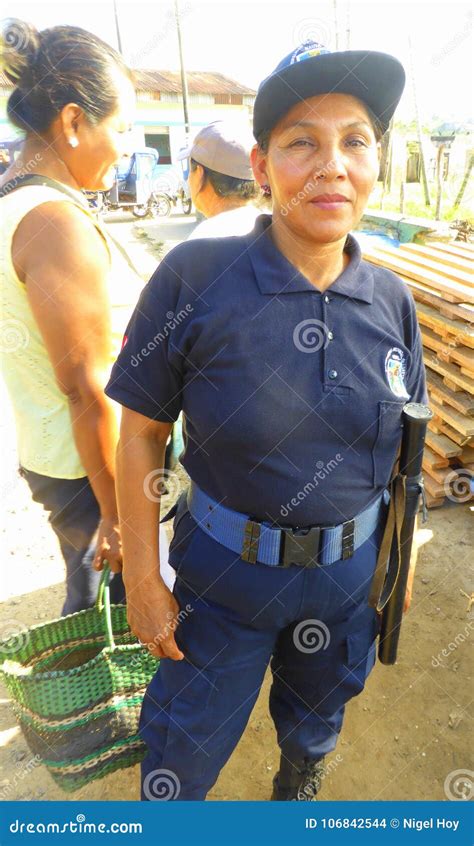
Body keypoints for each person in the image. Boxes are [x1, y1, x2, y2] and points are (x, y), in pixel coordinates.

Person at [105, 42, 428, 801]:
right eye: (300, 143)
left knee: (315, 722)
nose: (332, 165)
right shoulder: (195, 280)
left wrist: (400, 561)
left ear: (376, 162)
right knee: (180, 761)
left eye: (355, 141)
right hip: (223, 580)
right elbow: (141, 433)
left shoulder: (392, 303)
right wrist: (146, 579)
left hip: (347, 583)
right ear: (260, 166)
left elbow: (406, 451)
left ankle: (298, 783)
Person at [0, 19, 173, 613]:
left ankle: (81, 700)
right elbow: (84, 386)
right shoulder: (55, 223)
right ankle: (92, 708)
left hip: (53, 453)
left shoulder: (13, 196)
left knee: (88, 587)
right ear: (73, 122)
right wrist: (116, 512)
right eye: (121, 130)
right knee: (112, 607)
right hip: (88, 465)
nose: (126, 149)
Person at [178, 120, 260, 239]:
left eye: (191, 170)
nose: (189, 179)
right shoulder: (270, 227)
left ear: (200, 173)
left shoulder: (203, 239)